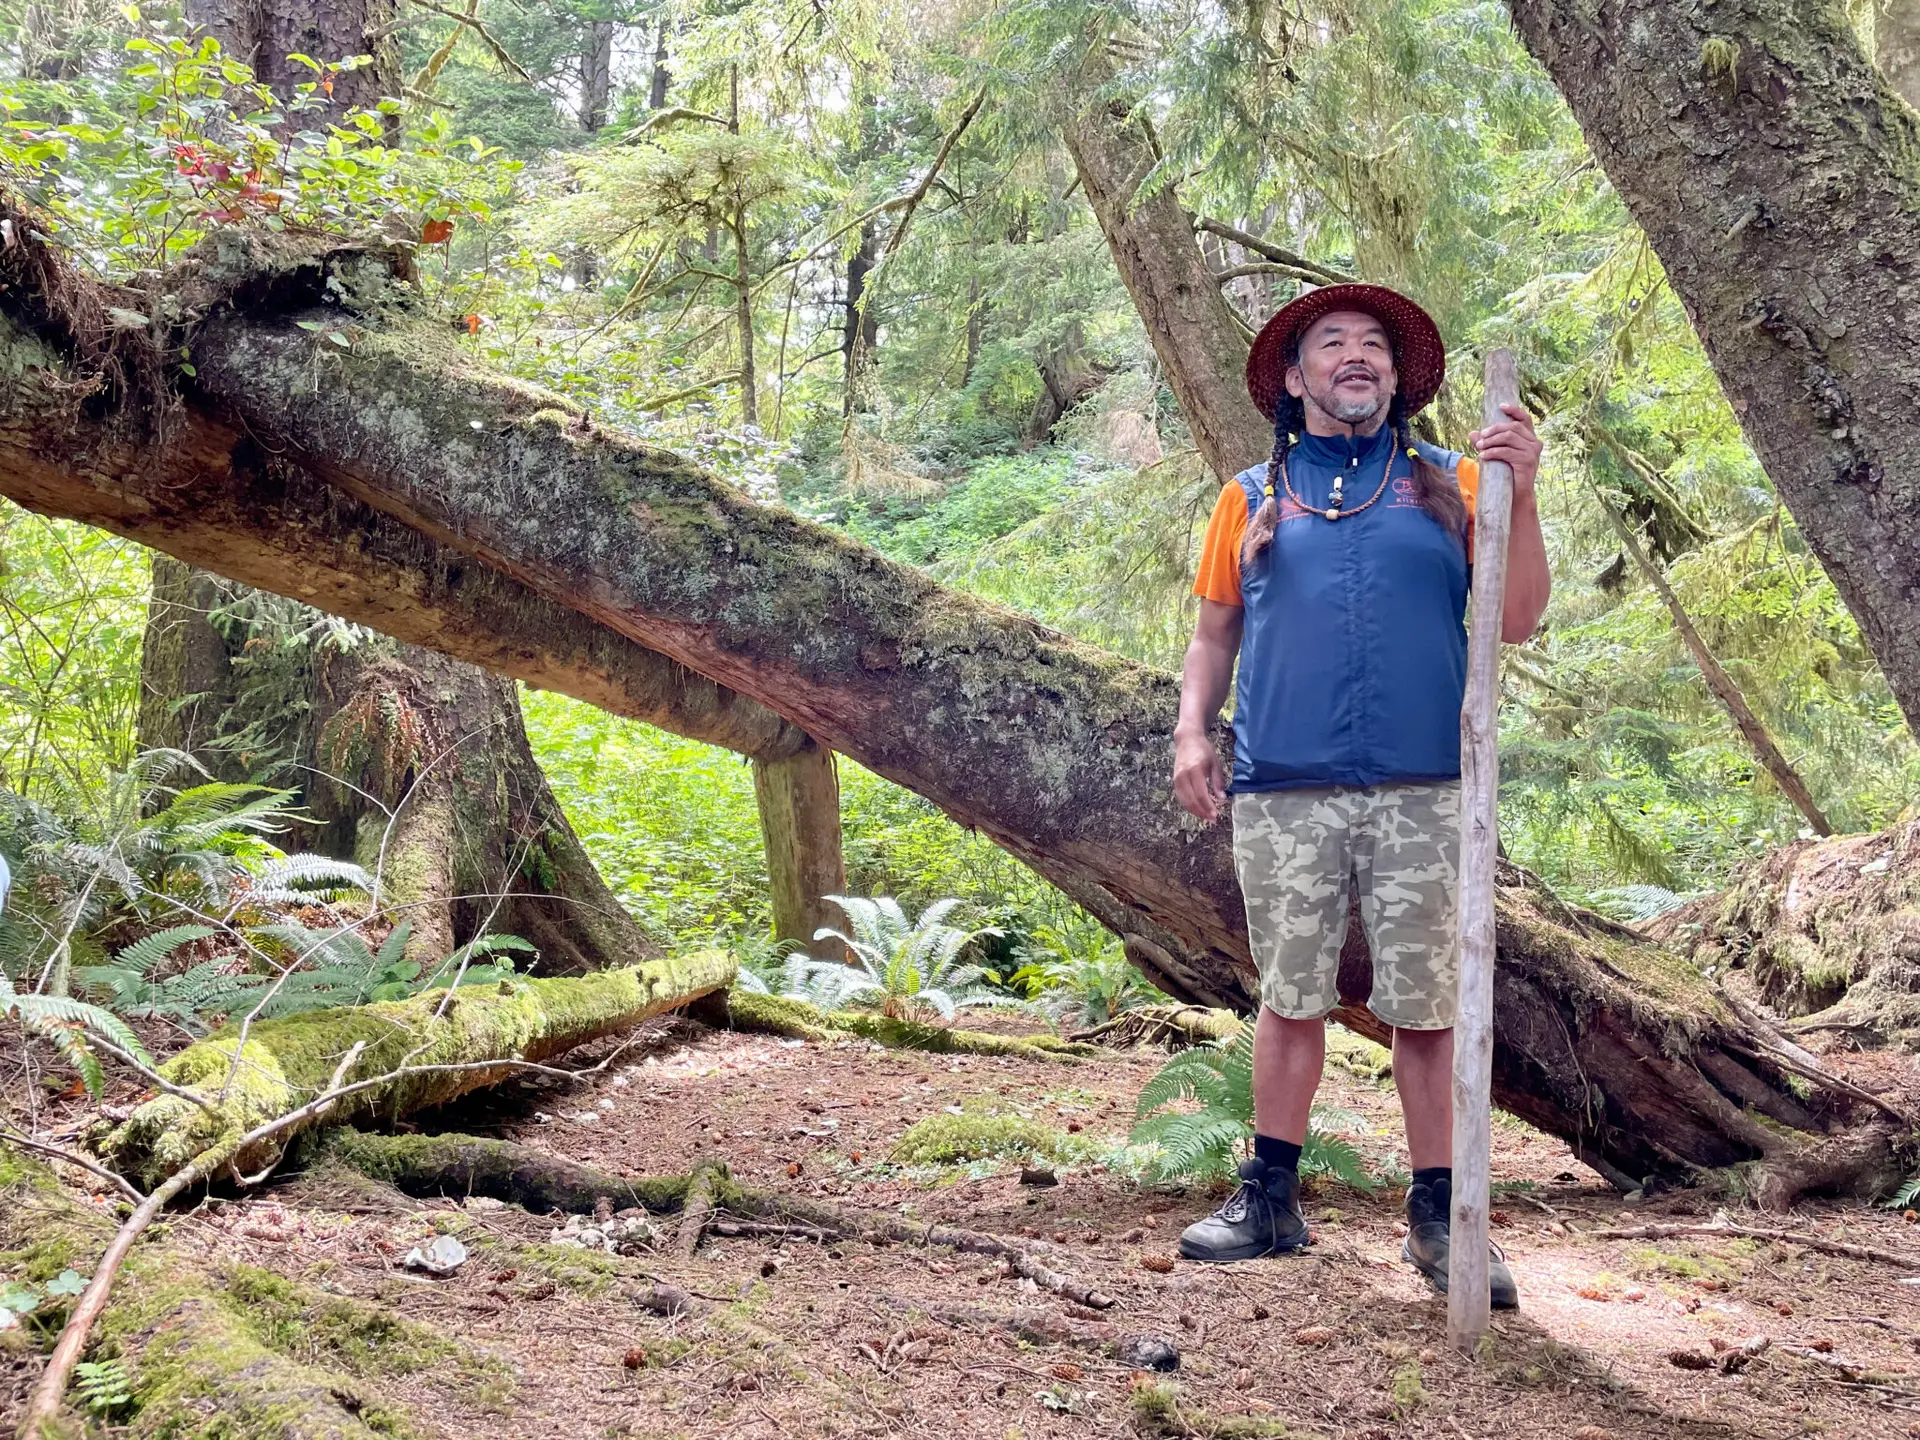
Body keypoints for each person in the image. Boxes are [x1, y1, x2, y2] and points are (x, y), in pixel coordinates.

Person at [1170, 283, 1549, 1307]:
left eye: (1372, 344)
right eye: (1330, 343)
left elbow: (1515, 620)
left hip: (1426, 788)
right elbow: (1214, 633)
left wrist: (1525, 491)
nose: (1355, 356)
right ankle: (1272, 1200)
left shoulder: (1455, 483)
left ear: (1397, 375)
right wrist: (1190, 729)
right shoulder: (1248, 497)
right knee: (1290, 996)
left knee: (1426, 1008)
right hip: (1284, 786)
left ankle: (1440, 1216)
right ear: (1294, 381)